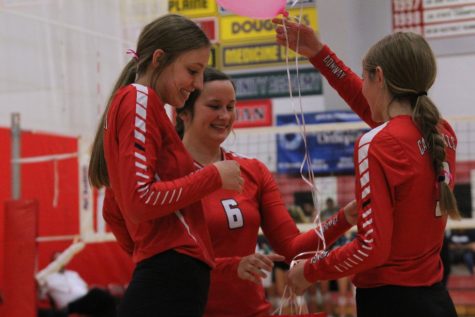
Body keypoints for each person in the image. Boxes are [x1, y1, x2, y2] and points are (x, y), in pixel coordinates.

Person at [274, 19, 461, 317]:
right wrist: (318, 53)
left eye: (364, 78)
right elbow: (376, 111)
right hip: (435, 298)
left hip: (390, 302)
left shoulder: (377, 143)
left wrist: (309, 271)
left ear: (379, 77)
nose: (362, 87)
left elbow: (371, 248)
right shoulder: (442, 132)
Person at [88, 14, 243, 317]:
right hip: (171, 272)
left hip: (169, 272)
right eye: (192, 71)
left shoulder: (142, 106)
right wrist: (212, 176)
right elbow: (140, 201)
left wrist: (147, 255)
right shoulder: (139, 100)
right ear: (159, 58)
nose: (197, 84)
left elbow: (114, 208)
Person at [174, 67, 358, 317]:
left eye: (230, 107)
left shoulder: (253, 172)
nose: (224, 116)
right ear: (184, 111)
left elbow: (293, 248)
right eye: (215, 106)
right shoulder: (167, 175)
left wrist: (346, 216)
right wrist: (232, 267)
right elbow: (165, 262)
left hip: (251, 310)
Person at [37, 252, 117, 317]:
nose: (60, 262)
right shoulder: (47, 277)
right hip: (69, 306)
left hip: (86, 300)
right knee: (98, 294)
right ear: (52, 262)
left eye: (62, 259)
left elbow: (86, 287)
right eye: (57, 260)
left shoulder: (73, 274)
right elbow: (40, 295)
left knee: (109, 300)